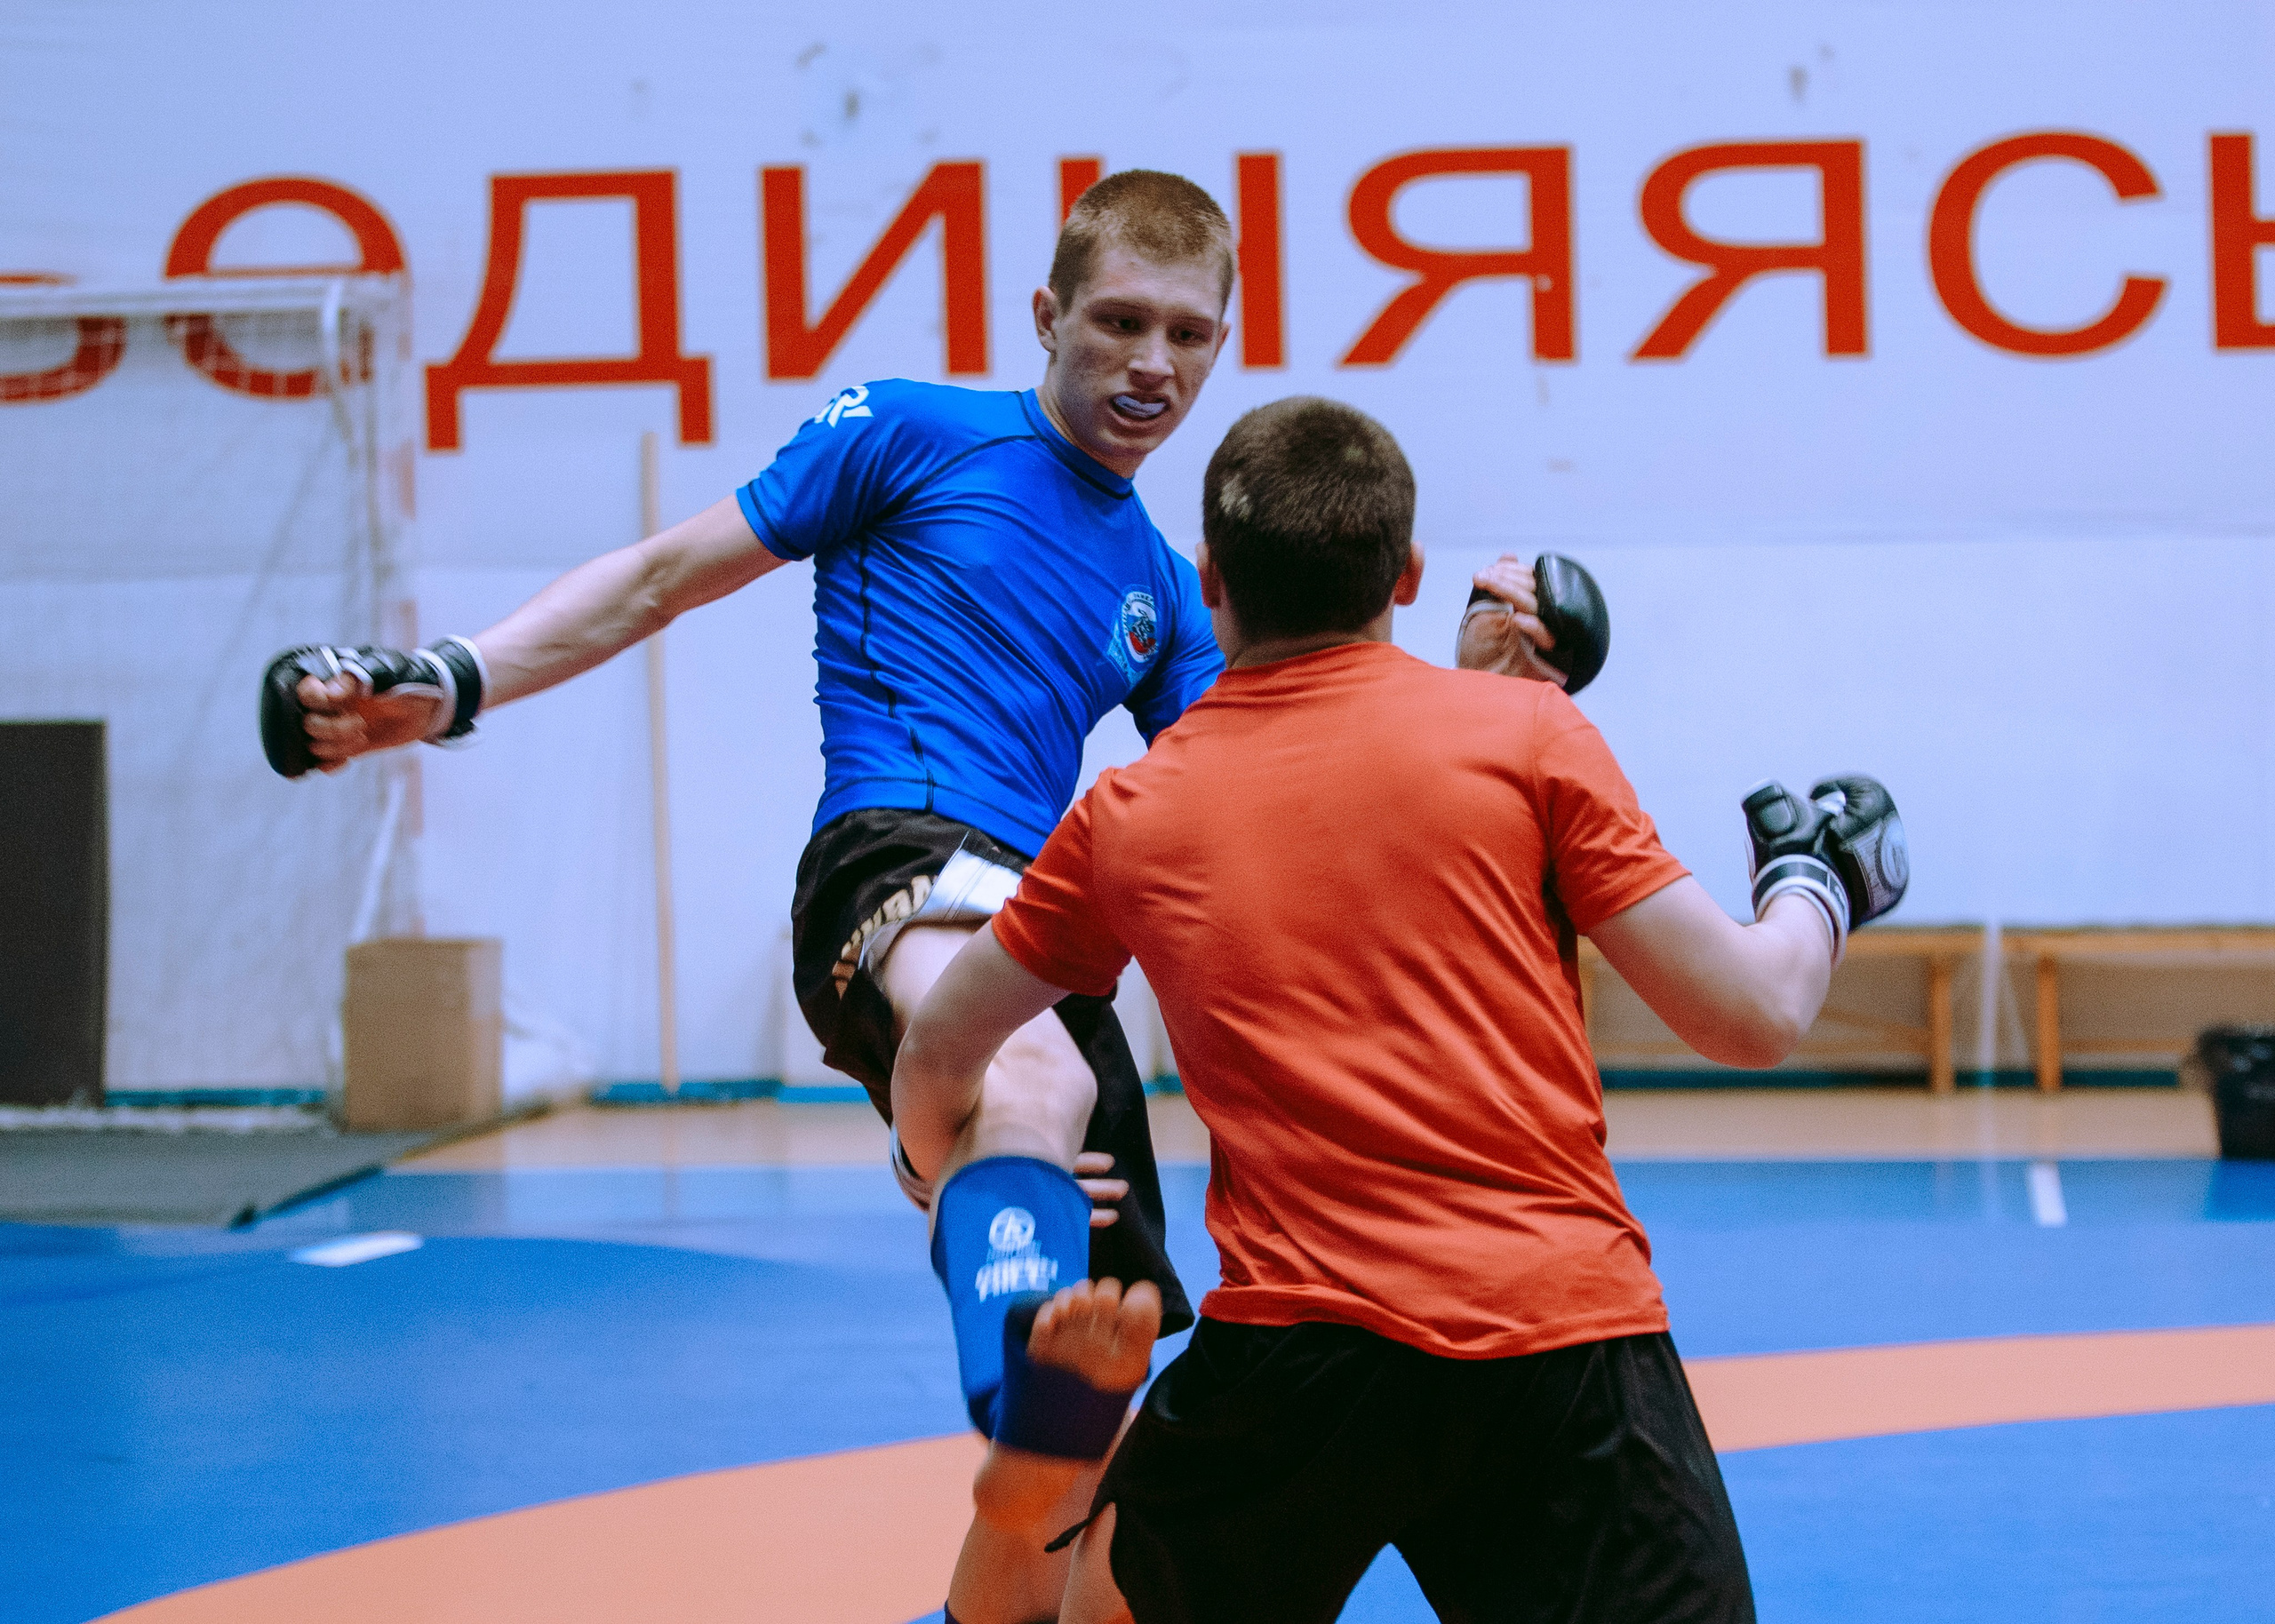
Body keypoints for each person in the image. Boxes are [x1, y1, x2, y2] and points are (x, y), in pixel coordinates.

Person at [256, 171, 1586, 1624]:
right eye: (1119, 322)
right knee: (1029, 1103)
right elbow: (658, 577)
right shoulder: (910, 429)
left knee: (1101, 1496)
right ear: (1046, 316)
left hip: (1037, 934)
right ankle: (1016, 1356)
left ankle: (1004, 1511)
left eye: (1189, 337)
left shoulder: (1163, 583)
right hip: (896, 862)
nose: (1153, 364)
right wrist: (451, 680)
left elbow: (1310, 777)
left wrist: (1476, 697)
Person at [892, 396, 1907, 1624]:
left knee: (1073, 1615)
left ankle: (1029, 1488)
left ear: (1209, 581)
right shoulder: (1530, 734)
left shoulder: (1132, 811)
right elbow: (1754, 1014)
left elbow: (944, 1040)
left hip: (1300, 1362)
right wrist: (1820, 887)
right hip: (1555, 1333)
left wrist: (947, 1165)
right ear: (1410, 573)